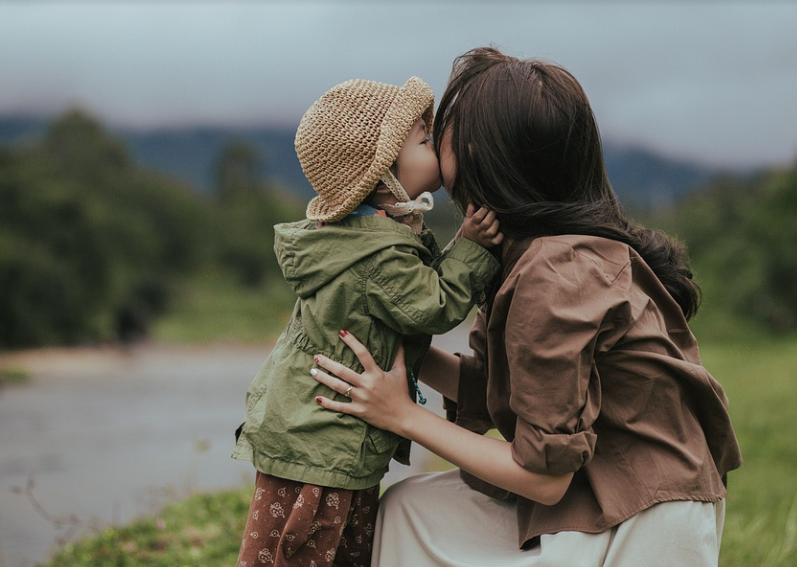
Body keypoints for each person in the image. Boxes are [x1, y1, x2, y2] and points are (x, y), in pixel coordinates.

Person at [310, 47, 744, 567]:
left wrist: (402, 415)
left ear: (475, 153)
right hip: (604, 488)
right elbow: (509, 389)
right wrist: (401, 348)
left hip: (644, 518)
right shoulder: (532, 251)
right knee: (408, 510)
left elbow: (544, 476)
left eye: (437, 133)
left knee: (418, 510)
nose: (430, 141)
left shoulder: (555, 272)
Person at [232, 75, 503, 567]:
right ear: (383, 177)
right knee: (313, 549)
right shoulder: (375, 252)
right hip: (323, 447)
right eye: (424, 140)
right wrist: (473, 249)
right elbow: (432, 305)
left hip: (319, 435)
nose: (434, 143)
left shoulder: (367, 235)